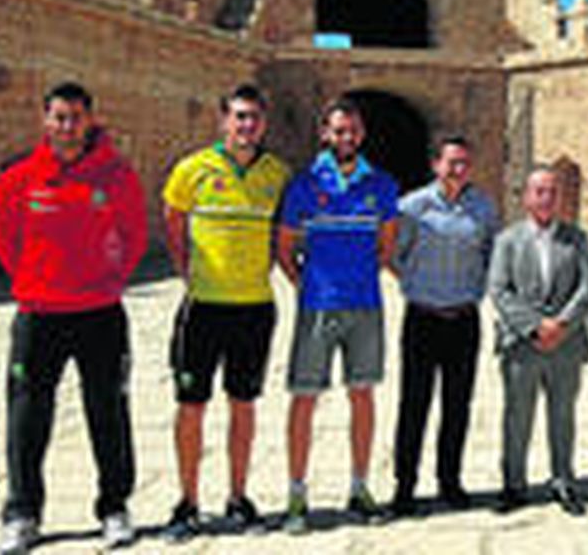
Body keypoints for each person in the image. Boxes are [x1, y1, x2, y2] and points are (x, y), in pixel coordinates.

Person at [0, 82, 146, 554]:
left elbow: (134, 235)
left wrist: (105, 279)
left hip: (99, 312)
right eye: (58, 117)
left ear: (89, 119)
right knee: (27, 415)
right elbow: (6, 240)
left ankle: (115, 508)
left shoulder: (116, 175)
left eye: (75, 116)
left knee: (108, 411)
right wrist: (37, 282)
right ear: (45, 120)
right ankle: (22, 513)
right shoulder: (19, 178)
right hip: (39, 315)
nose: (67, 125)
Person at [161, 83, 291, 539]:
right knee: (191, 406)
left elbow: (284, 230)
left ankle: (238, 497)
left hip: (254, 307)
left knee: (244, 404)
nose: (246, 125)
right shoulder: (193, 169)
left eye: (254, 117)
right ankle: (188, 502)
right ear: (223, 121)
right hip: (203, 308)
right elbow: (173, 218)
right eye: (239, 117)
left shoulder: (277, 174)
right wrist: (185, 270)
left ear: (264, 124)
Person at [274, 99, 400, 533]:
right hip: (317, 308)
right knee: (304, 398)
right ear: (325, 134)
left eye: (353, 131)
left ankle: (360, 487)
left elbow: (386, 246)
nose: (346, 138)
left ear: (361, 135)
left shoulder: (381, 184)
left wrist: (358, 278)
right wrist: (308, 286)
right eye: (338, 131)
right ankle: (296, 495)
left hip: (365, 305)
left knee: (363, 395)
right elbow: (285, 248)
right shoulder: (305, 184)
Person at [390, 136, 500, 515]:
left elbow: (491, 256)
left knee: (458, 405)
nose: (458, 170)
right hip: (422, 318)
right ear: (436, 164)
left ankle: (449, 480)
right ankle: (405, 485)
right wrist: (414, 284)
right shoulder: (412, 207)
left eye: (465, 163)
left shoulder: (484, 209)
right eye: (452, 162)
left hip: (464, 319)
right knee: (414, 404)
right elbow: (393, 254)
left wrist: (475, 290)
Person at [488, 167, 588, 516]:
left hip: (566, 343)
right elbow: (499, 290)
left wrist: (561, 324)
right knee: (518, 416)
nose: (546, 198)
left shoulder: (577, 239)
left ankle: (563, 479)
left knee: (562, 415)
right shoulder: (508, 240)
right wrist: (535, 327)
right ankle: (514, 484)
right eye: (539, 191)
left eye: (552, 191)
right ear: (526, 197)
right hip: (522, 344)